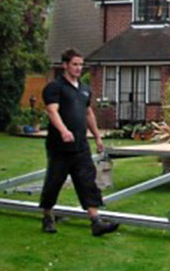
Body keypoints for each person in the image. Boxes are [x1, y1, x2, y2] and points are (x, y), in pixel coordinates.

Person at [40, 48, 119, 236]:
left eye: (81, 65)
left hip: (81, 145)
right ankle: (47, 216)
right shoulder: (55, 87)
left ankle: (96, 222)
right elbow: (52, 111)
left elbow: (88, 113)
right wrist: (63, 131)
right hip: (60, 145)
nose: (78, 68)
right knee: (54, 181)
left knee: (87, 180)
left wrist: (98, 137)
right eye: (74, 64)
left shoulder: (84, 89)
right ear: (65, 65)